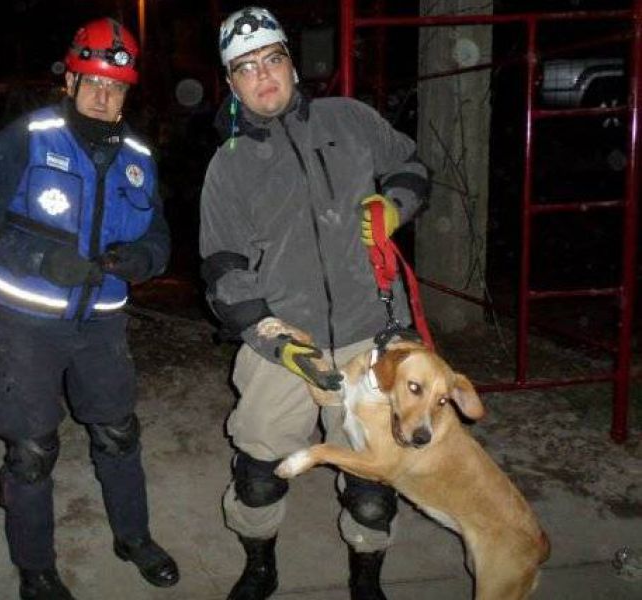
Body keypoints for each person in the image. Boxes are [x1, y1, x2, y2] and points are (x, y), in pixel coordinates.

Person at [199, 7, 430, 600]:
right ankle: (259, 564)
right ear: (232, 83)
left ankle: (366, 575)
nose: (264, 76)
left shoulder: (349, 119)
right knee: (258, 474)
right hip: (284, 341)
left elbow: (411, 163)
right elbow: (223, 270)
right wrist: (278, 340)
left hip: (371, 329)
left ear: (292, 66)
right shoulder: (228, 165)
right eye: (246, 68)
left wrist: (395, 205)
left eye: (272, 59)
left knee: (375, 483)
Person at [0, 17, 178, 600]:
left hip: (101, 323)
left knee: (118, 433)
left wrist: (144, 258)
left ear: (128, 93)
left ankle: (133, 536)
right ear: (71, 81)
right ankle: (36, 570)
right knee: (31, 450)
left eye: (117, 87)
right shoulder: (26, 138)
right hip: (27, 322)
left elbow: (159, 235)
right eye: (94, 82)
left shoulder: (139, 155)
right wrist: (40, 260)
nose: (105, 97)